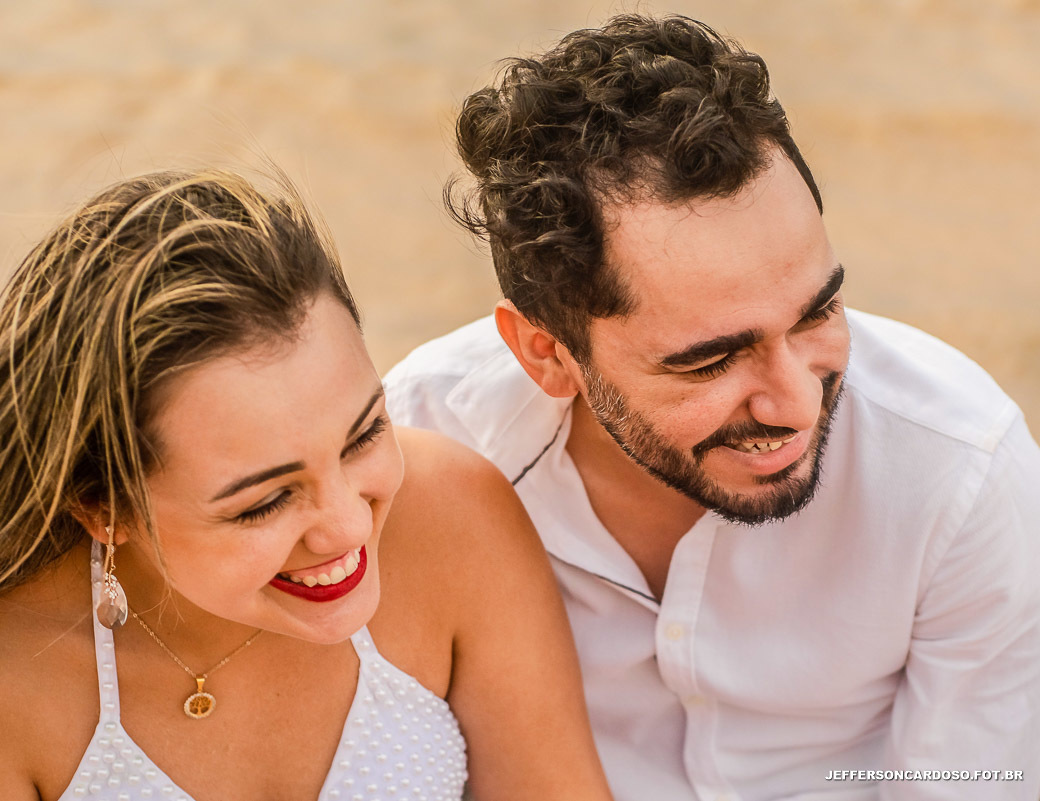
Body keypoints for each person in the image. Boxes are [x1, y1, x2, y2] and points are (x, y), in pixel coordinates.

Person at [384, 13, 1040, 801]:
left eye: (817, 313)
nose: (797, 402)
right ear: (546, 354)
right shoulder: (416, 445)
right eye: (711, 360)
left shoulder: (963, 469)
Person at [0, 168, 615, 800]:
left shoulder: (455, 516)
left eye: (363, 434)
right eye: (264, 501)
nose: (348, 526)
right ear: (102, 507)